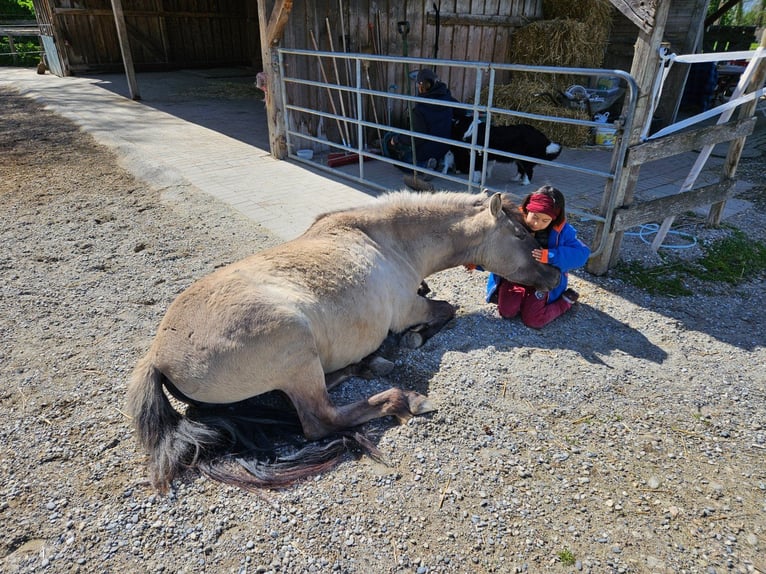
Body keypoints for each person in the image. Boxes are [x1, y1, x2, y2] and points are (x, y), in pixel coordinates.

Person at [472, 186, 590, 329]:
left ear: (554, 219)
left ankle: (565, 301)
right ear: (527, 209)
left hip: (543, 279)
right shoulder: (512, 223)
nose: (537, 224)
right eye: (534, 217)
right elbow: (495, 249)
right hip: (515, 276)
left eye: (545, 220)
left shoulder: (563, 232)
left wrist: (551, 256)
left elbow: (582, 254)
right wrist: (476, 264)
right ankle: (521, 299)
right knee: (507, 312)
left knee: (534, 320)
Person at [384, 68, 460, 178]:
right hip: (445, 146)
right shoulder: (448, 99)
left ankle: (425, 166)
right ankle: (439, 162)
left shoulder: (420, 108)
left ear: (421, 86)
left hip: (427, 150)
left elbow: (417, 137)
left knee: (402, 161)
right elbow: (461, 111)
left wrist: (397, 139)